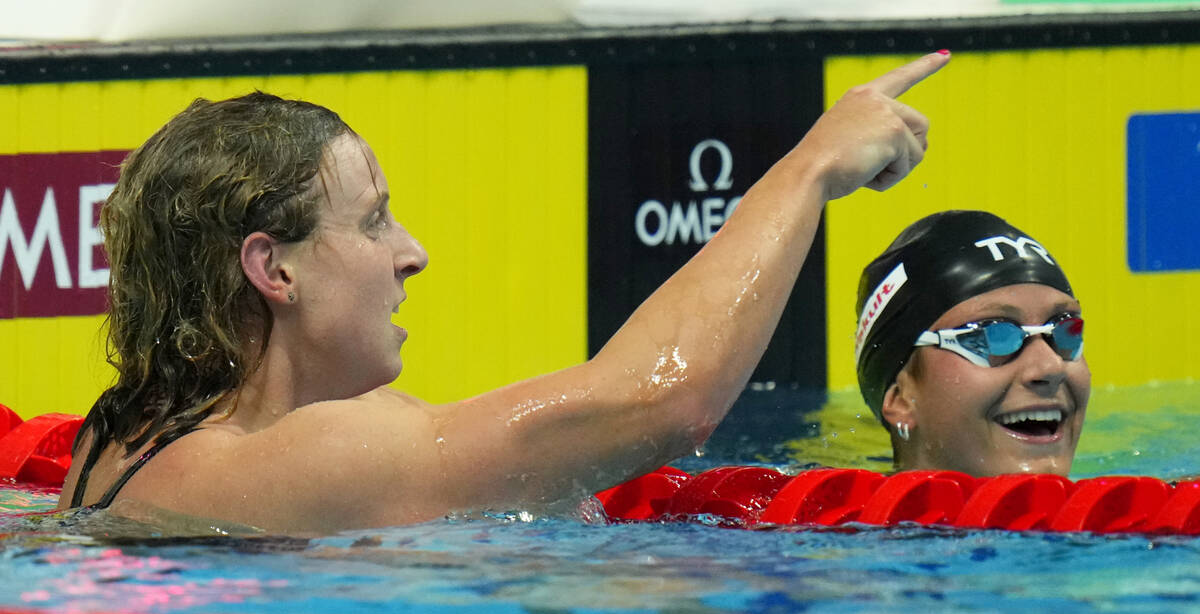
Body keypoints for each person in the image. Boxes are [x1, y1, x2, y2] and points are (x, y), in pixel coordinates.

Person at [58, 51, 951, 532]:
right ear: (273, 269)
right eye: (373, 221)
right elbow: (663, 398)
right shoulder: (323, 455)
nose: (413, 254)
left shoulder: (118, 436)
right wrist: (809, 169)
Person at [854, 209, 1090, 478]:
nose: (1050, 367)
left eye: (1065, 331)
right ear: (901, 399)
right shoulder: (827, 519)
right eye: (993, 335)